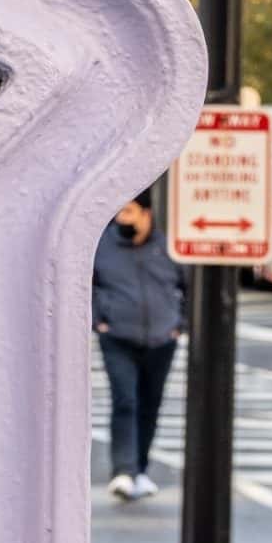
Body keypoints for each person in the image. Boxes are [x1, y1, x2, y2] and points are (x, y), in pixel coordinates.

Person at [92, 193, 186, 502]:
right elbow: (87, 285)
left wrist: (179, 325)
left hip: (161, 340)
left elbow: (187, 286)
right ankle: (124, 470)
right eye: (119, 211)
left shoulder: (166, 248)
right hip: (118, 337)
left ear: (146, 214)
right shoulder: (103, 246)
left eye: (129, 211)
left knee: (150, 404)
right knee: (125, 401)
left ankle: (140, 468)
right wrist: (98, 320)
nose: (123, 218)